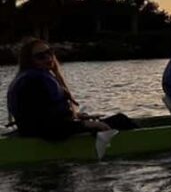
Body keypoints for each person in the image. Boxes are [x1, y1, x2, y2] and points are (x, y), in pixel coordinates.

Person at [6, 39, 137, 140]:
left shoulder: (33, 78)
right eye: (41, 56)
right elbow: (47, 127)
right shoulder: (33, 83)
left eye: (49, 52)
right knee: (121, 120)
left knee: (118, 120)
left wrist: (77, 117)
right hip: (49, 136)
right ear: (29, 61)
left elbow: (45, 115)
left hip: (46, 132)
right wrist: (85, 125)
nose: (48, 58)